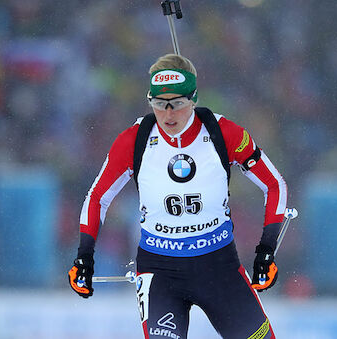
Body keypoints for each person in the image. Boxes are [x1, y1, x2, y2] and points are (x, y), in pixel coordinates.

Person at [68, 54, 287, 339]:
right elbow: (97, 197)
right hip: (160, 271)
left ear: (193, 99)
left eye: (177, 104)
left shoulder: (224, 133)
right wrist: (84, 255)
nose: (168, 115)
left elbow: (275, 184)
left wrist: (266, 250)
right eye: (159, 104)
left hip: (218, 266)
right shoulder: (134, 140)